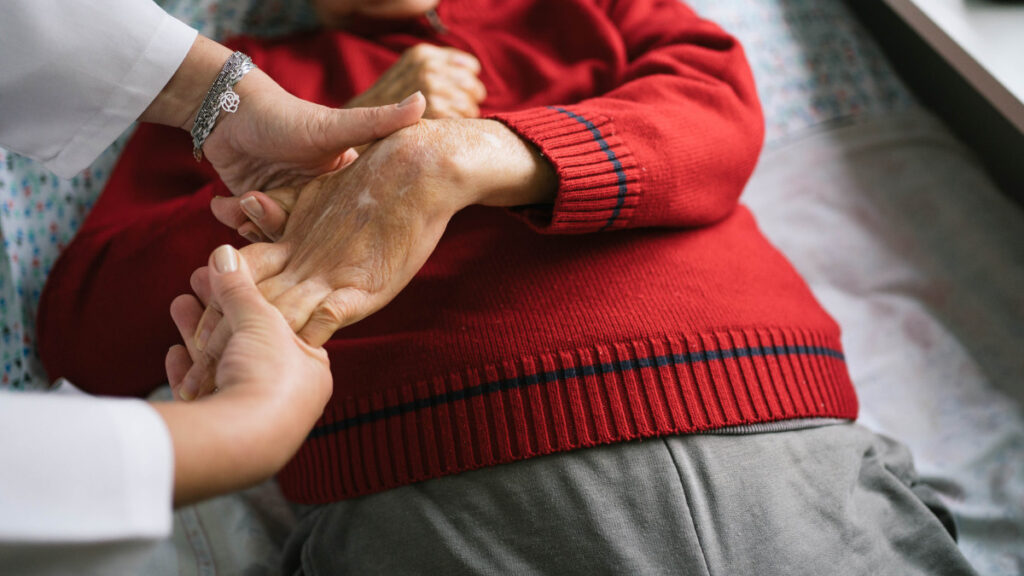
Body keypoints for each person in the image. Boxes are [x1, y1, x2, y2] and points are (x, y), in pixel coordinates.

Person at [36, 0, 980, 574]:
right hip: (432, 483)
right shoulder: (231, 95)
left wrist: (479, 153)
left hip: (768, 428)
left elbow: (718, 112)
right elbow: (84, 325)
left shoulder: (585, 7)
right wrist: (325, 161)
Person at [0, 0, 425, 572]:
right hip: (354, 472)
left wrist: (466, 156)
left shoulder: (580, 18)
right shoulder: (262, 72)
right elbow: (80, 335)